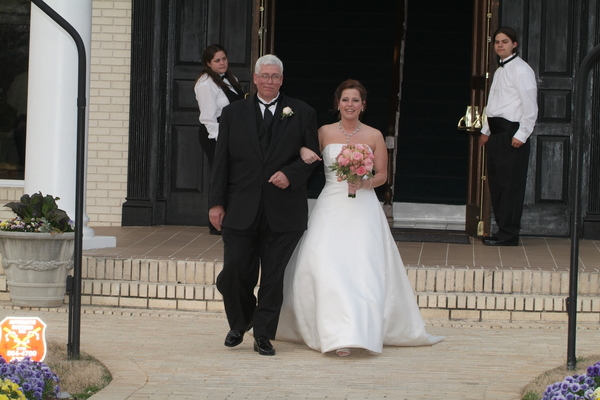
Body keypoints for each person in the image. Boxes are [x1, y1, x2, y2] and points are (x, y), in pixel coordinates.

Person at [276, 79, 444, 357]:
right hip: (331, 205)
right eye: (345, 100)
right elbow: (304, 155)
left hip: (363, 207)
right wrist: (304, 150)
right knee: (324, 265)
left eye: (355, 100)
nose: (350, 105)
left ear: (363, 105)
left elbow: (383, 175)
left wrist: (365, 183)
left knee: (362, 270)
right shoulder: (323, 132)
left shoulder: (374, 135)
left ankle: (357, 332)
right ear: (337, 104)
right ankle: (333, 333)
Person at [209, 54, 320, 356]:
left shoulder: (302, 112)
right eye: (265, 76)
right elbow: (221, 162)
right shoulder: (233, 113)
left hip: (283, 211)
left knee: (272, 277)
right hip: (240, 208)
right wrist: (216, 203)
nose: (270, 81)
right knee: (234, 272)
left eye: (275, 76)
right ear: (255, 79)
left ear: (281, 80)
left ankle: (263, 334)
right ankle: (240, 321)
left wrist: (291, 175)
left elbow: (312, 156)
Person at [479, 27, 538, 246]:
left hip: (511, 134)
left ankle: (509, 233)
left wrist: (522, 133)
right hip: (497, 134)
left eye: (505, 41)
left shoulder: (521, 70)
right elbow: (493, 104)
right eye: (497, 42)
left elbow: (530, 104)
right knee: (497, 184)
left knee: (510, 185)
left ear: (514, 44)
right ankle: (501, 229)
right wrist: (486, 130)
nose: (500, 45)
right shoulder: (500, 70)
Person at [194, 45, 245, 235]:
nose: (222, 63)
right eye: (217, 60)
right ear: (208, 63)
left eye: (224, 58)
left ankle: (231, 218)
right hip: (215, 135)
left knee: (232, 175)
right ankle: (216, 224)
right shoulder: (205, 84)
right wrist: (221, 142)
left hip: (231, 135)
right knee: (219, 176)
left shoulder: (231, 78)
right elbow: (208, 118)